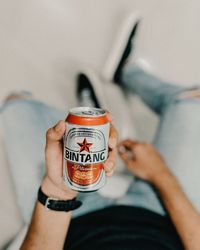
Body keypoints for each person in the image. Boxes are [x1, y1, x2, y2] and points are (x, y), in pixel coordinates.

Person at [1, 13, 200, 250]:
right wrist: (160, 174)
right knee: (192, 101)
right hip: (162, 215)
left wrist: (59, 190)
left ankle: (92, 119)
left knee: (17, 105)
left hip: (72, 219)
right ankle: (128, 73)